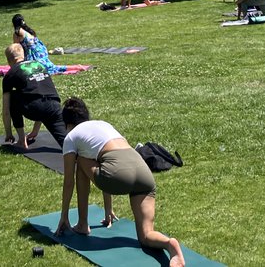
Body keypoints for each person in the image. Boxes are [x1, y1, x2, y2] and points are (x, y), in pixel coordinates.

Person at [55, 97, 185, 267]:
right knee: (146, 235)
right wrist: (108, 209)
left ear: (67, 124)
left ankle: (82, 224)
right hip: (144, 174)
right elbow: (113, 161)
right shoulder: (103, 125)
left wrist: (64, 215)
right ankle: (170, 244)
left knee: (81, 161)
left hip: (117, 174)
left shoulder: (71, 137)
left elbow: (69, 181)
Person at [2, 43, 67, 148]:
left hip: (35, 108)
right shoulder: (39, 65)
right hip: (54, 105)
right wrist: (35, 131)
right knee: (66, 143)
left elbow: (6, 110)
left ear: (9, 60)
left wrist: (9, 133)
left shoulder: (11, 74)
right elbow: (42, 92)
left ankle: (22, 140)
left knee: (13, 98)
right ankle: (84, 155)